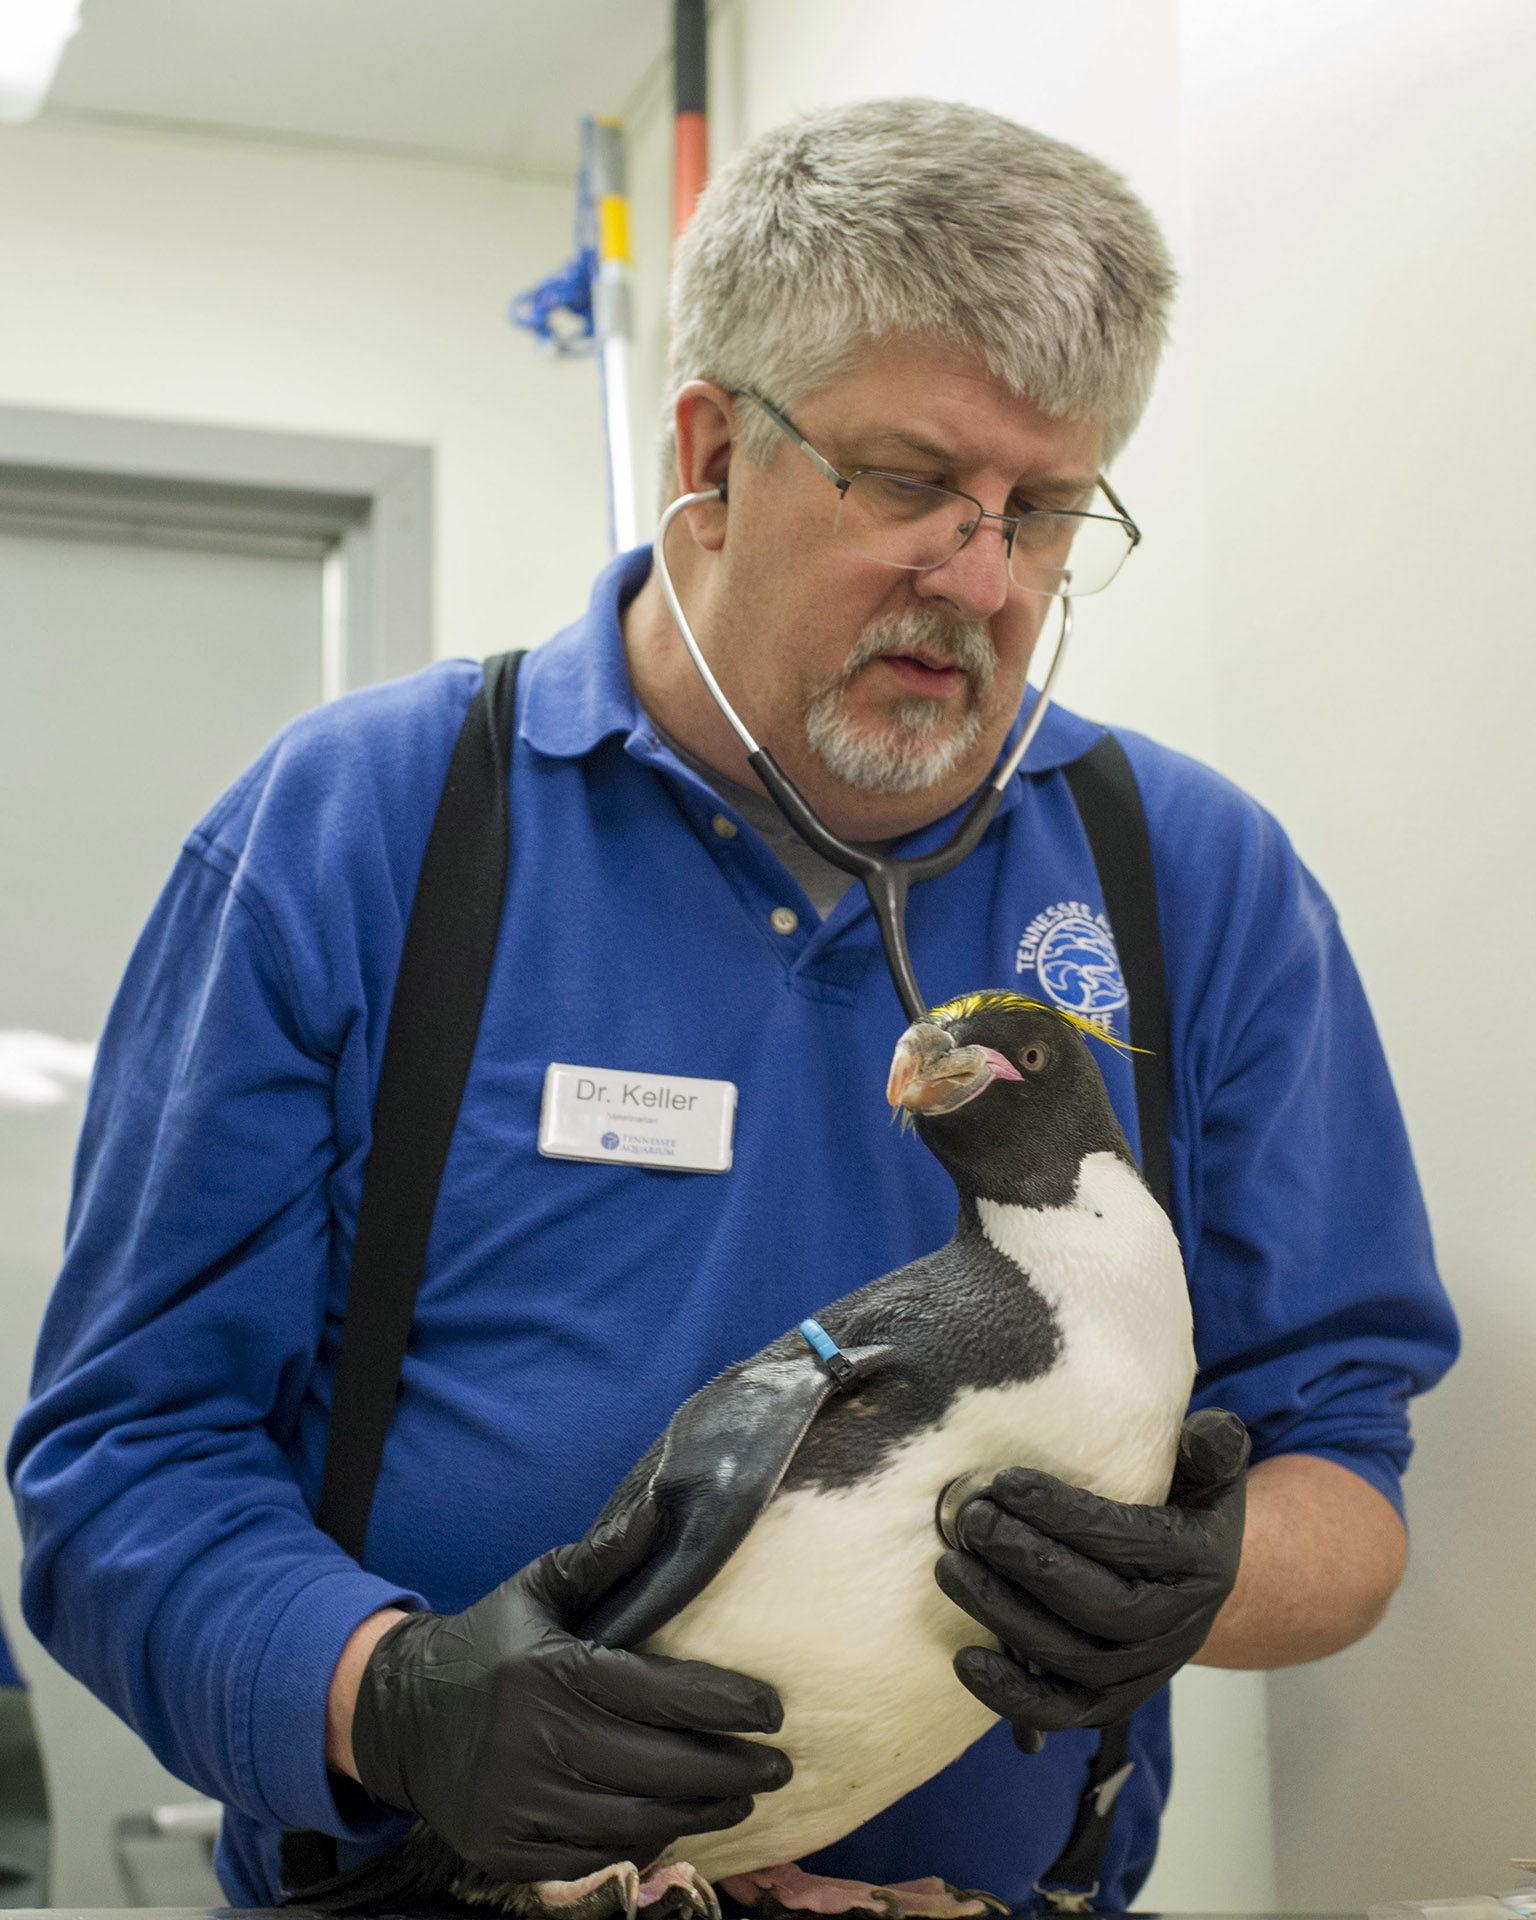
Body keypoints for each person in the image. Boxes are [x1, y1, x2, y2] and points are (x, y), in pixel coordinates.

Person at [7, 99, 1456, 1914]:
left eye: (1048, 509)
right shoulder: (357, 835)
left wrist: (1202, 1574)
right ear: (709, 449)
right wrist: (400, 1703)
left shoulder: (1199, 886)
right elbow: (123, 1464)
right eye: (914, 482)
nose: (986, 579)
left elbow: (1344, 1473)